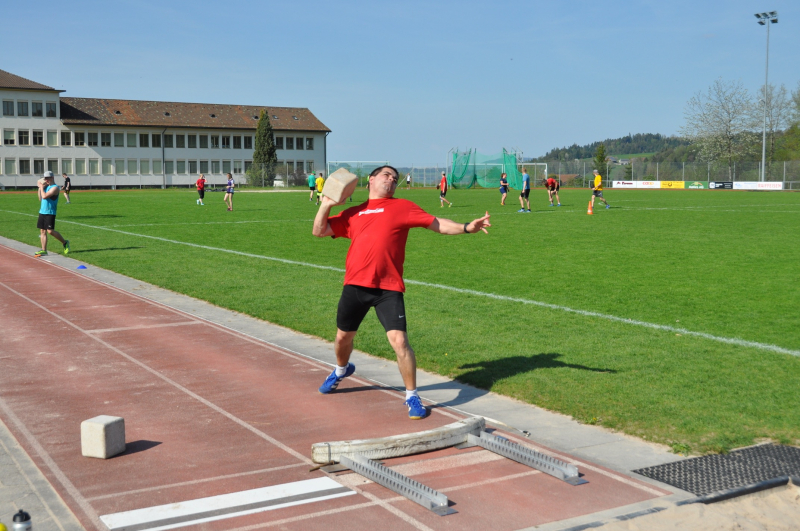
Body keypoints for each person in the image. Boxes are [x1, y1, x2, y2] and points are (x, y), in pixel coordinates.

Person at [312, 165, 491, 419]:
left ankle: (412, 395)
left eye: (395, 179)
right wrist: (326, 204)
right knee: (342, 339)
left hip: (388, 287)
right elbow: (319, 231)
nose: (392, 180)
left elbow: (438, 223)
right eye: (386, 175)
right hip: (355, 285)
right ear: (371, 180)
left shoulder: (402, 207)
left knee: (400, 342)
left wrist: (466, 227)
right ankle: (341, 370)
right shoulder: (354, 213)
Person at [35, 171, 69, 257]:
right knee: (42, 231)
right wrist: (40, 188)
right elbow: (40, 198)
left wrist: (41, 187)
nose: (46, 180)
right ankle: (44, 250)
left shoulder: (55, 188)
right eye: (45, 178)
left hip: (50, 212)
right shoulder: (46, 187)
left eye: (47, 178)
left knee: (50, 231)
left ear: (52, 177)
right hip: (42, 211)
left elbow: (44, 196)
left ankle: (64, 242)